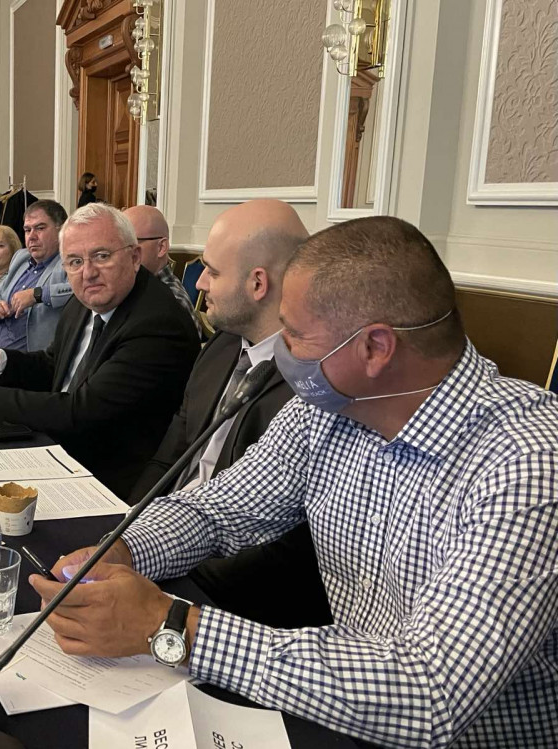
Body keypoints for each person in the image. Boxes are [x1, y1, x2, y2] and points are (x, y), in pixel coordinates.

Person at [28, 215, 558, 749]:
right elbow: (217, 510)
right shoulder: (328, 408)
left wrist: (173, 626)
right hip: (338, 701)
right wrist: (123, 551)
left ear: (375, 348)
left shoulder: (527, 460)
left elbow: (432, 691)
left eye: (296, 335)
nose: (280, 350)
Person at [130, 200, 329, 629]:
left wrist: (163, 587)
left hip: (226, 594)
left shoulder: (314, 389)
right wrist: (124, 526)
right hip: (164, 543)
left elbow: (274, 541)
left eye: (212, 271)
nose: (200, 283)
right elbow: (169, 460)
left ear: (258, 283)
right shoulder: (221, 346)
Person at [0, 203, 201, 498]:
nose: (88, 272)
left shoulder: (156, 322)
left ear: (134, 257)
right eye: (74, 261)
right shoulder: (87, 300)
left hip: (108, 480)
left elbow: (84, 411)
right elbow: (53, 366)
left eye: (102, 256)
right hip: (58, 447)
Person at [0, 200, 71, 352]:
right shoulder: (21, 257)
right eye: (27, 230)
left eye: (40, 228)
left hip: (29, 360)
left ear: (62, 230)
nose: (32, 236)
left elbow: (78, 290)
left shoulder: (70, 261)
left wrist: (37, 294)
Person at [123, 205, 196, 327]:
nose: (121, 253)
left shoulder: (171, 304)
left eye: (131, 243)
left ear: (161, 247)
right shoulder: (132, 287)